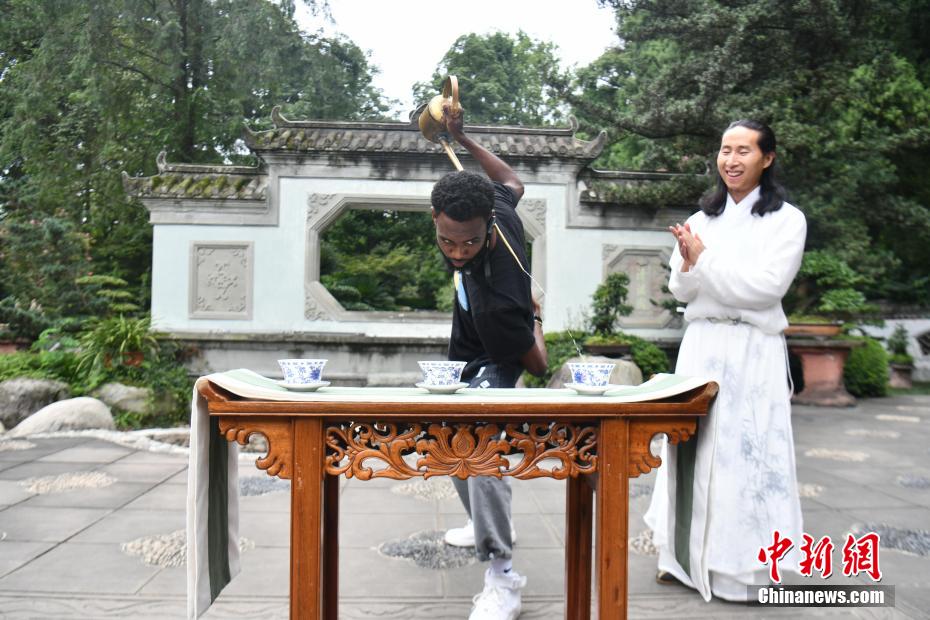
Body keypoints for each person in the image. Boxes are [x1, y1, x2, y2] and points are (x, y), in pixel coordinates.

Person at [644, 120, 807, 601]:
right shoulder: (701, 219)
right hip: (702, 345)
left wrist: (705, 261)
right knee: (690, 446)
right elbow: (681, 289)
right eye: (725, 150)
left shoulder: (786, 220)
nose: (731, 160)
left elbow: (766, 289)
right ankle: (680, 558)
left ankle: (744, 571)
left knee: (748, 454)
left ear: (767, 158)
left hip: (753, 350)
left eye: (743, 151)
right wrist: (689, 261)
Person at [429, 101, 548, 620]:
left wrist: (535, 318)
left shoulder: (498, 301)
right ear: (436, 220)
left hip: (500, 352)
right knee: (446, 438)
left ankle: (503, 576)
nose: (457, 252)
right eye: (447, 241)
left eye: (469, 243)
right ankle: (488, 521)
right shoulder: (494, 205)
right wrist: (463, 138)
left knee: (479, 452)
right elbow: (511, 180)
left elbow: (537, 365)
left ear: (490, 230)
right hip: (467, 350)